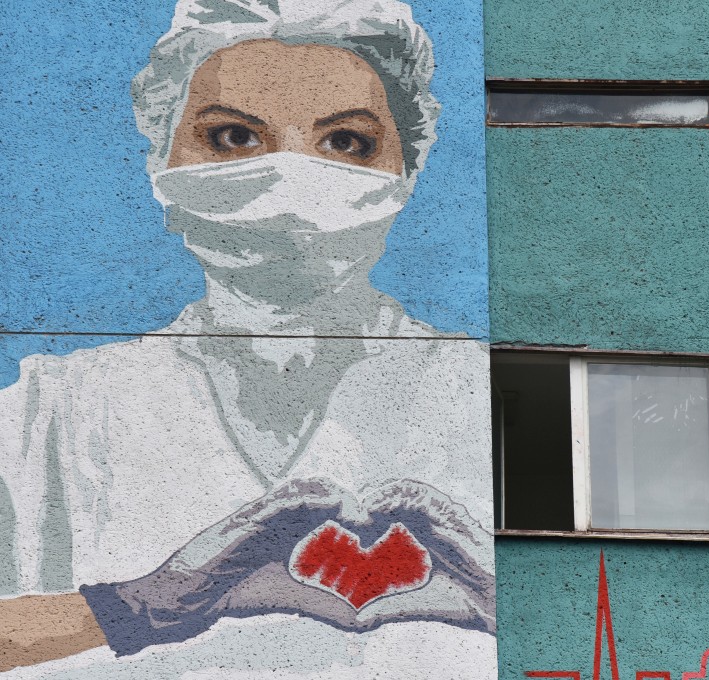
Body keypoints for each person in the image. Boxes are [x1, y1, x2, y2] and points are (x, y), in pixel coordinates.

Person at [0, 0, 494, 677]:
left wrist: (510, 600)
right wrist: (139, 607)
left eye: (346, 142)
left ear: (408, 171)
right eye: (233, 138)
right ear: (159, 165)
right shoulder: (48, 420)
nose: (290, 182)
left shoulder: (484, 396)